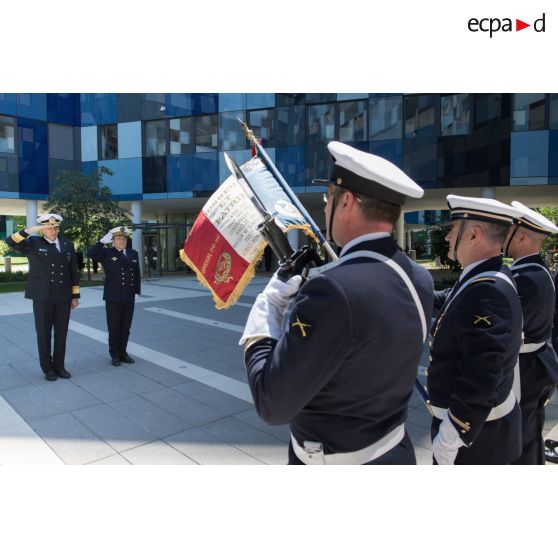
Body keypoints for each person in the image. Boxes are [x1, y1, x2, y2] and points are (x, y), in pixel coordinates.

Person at [240, 141, 434, 465]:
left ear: (346, 201)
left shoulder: (331, 289)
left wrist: (270, 302)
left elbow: (271, 401)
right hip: (394, 454)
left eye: (329, 198)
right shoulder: (418, 277)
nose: (326, 207)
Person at [427, 195, 524, 464]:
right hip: (481, 432)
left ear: (474, 235)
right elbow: (448, 299)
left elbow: (482, 375)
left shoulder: (486, 292)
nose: (447, 237)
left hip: (476, 440)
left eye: (453, 229)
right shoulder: (483, 277)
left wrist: (452, 434)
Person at [502, 202, 558, 464]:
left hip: (524, 371)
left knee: (522, 441)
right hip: (535, 365)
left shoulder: (526, 279)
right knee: (529, 433)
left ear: (522, 237)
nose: (505, 234)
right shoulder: (534, 271)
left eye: (510, 229)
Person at [6, 213, 80, 381]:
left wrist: (75, 296)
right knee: (43, 333)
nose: (52, 230)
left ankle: (59, 366)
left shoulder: (68, 244)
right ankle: (48, 368)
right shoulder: (33, 243)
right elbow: (10, 241)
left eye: (55, 227)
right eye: (48, 227)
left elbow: (73, 272)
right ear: (42, 229)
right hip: (42, 296)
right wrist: (30, 230)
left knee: (62, 333)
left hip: (63, 295)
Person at [87, 226, 140, 366]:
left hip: (129, 296)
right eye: (118, 238)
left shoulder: (133, 253)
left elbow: (137, 274)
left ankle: (123, 352)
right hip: (113, 296)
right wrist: (104, 239)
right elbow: (90, 253)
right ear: (113, 240)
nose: (122, 241)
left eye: (124, 238)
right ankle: (114, 354)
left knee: (126, 327)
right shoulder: (106, 253)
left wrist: (136, 292)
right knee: (114, 326)